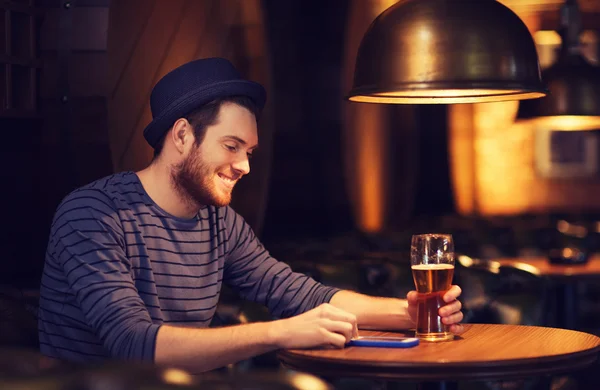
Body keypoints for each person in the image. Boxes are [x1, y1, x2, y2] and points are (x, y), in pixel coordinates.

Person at [38, 58, 464, 372]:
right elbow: (132, 345)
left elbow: (300, 293)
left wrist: (410, 314)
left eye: (249, 151)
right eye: (231, 146)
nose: (244, 166)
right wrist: (281, 332)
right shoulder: (93, 214)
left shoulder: (219, 223)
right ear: (183, 135)